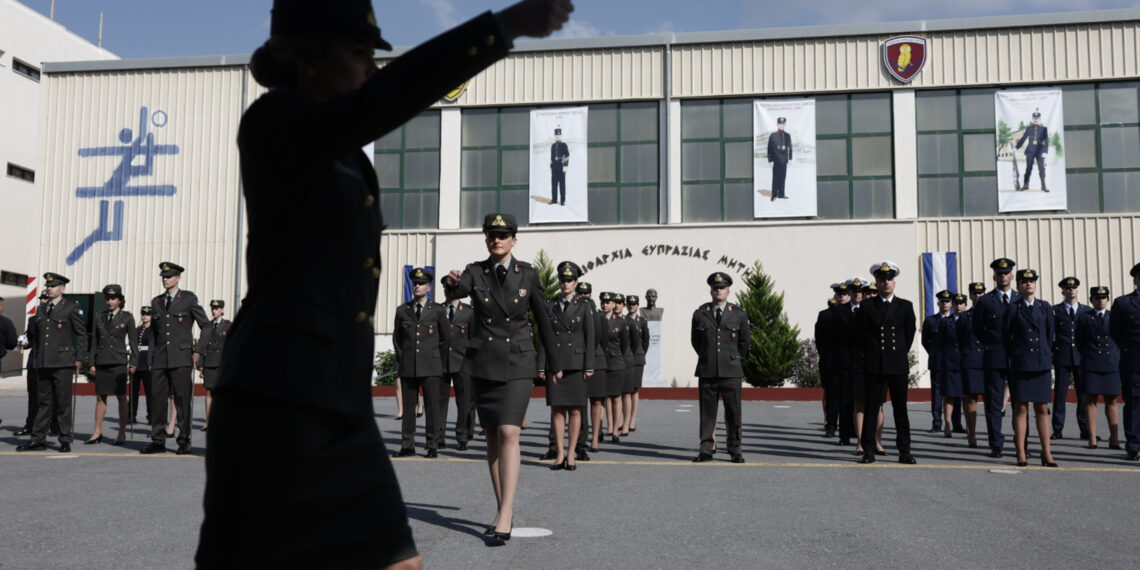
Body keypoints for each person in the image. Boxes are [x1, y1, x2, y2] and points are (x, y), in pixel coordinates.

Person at [197, 2, 575, 564]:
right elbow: (382, 100)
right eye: (358, 54)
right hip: (275, 396)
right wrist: (504, 28)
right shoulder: (274, 123)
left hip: (336, 399)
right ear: (306, 61)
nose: (372, 68)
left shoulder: (347, 154)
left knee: (399, 559)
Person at [443, 212, 562, 546]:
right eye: (491, 235)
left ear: (514, 238)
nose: (497, 239)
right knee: (493, 436)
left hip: (519, 361)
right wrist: (451, 282)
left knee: (510, 431)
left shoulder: (529, 274)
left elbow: (542, 319)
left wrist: (554, 361)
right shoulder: (474, 272)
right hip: (483, 363)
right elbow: (458, 289)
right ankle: (501, 508)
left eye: (503, 234)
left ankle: (506, 514)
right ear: (485, 239)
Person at [144, 262, 210, 455]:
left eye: (170, 276)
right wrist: (150, 359)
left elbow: (205, 326)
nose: (165, 279)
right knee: (157, 400)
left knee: (182, 400)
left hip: (181, 357)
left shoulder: (188, 299)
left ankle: (184, 440)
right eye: (163, 276)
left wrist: (198, 351)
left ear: (178, 278)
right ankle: (158, 440)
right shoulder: (156, 302)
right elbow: (154, 335)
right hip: (159, 359)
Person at [16, 273, 87, 453]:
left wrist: (80, 358)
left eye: (53, 286)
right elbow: (38, 338)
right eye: (48, 286)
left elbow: (81, 334)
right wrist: (27, 343)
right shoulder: (41, 309)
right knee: (43, 402)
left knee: (63, 402)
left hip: (62, 362)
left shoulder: (71, 307)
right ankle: (38, 439)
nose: (49, 288)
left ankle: (64, 439)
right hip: (43, 362)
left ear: (62, 288)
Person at [855, 261, 917, 465]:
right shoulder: (867, 306)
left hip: (897, 363)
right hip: (875, 363)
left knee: (901, 409)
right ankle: (869, 450)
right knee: (872, 408)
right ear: (877, 283)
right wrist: (870, 355)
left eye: (889, 279)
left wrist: (897, 354)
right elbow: (858, 337)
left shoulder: (905, 306)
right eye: (882, 280)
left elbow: (908, 336)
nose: (886, 283)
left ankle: (905, 451)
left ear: (894, 282)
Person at [538, 261, 593, 470]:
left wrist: (589, 366)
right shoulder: (550, 305)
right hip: (557, 363)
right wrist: (542, 366)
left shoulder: (584, 305)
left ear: (575, 282)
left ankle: (572, 454)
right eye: (562, 280)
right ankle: (559, 453)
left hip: (577, 364)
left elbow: (590, 336)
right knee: (557, 410)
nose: (565, 283)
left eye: (569, 280)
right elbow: (545, 337)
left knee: (576, 411)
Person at [691, 271, 751, 464]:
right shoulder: (700, 313)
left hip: (731, 371)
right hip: (708, 370)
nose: (719, 291)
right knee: (707, 413)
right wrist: (708, 357)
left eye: (722, 288)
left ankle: (735, 449)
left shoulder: (739, 314)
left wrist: (732, 358)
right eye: (715, 288)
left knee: (734, 412)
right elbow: (696, 341)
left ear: (728, 291)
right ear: (711, 290)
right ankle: (706, 449)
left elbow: (745, 343)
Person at [392, 267, 450, 458]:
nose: (416, 286)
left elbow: (445, 340)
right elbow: (397, 339)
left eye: (421, 283)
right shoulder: (403, 311)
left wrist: (436, 360)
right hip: (409, 366)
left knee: (432, 407)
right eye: (415, 283)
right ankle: (407, 445)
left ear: (429, 287)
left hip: (431, 366)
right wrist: (404, 358)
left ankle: (432, 444)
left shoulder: (438, 311)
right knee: (409, 409)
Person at [1003, 269, 1058, 467]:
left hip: (1040, 363)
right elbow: (1006, 336)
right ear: (1018, 285)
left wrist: (1044, 354)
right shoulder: (1012, 308)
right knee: (1020, 408)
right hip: (1021, 363)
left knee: (1042, 408)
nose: (1029, 284)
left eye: (1032, 281)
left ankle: (1047, 452)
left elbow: (1050, 335)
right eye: (1024, 281)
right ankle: (1021, 452)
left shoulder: (1045, 307)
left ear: (1036, 284)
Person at [973, 257, 1019, 459]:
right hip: (994, 356)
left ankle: (1021, 441)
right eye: (999, 273)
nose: (1003, 276)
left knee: (1020, 402)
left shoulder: (1021, 299)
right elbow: (977, 329)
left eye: (1006, 273)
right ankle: (996, 443)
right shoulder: (985, 301)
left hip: (1019, 357)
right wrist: (992, 345)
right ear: (994, 276)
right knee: (993, 401)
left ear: (1012, 275)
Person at [87, 285, 139, 445]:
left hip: (118, 361)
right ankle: (97, 432)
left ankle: (121, 432)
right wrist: (92, 363)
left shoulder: (127, 317)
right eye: (108, 299)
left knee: (121, 397)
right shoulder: (99, 316)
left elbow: (133, 342)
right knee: (100, 397)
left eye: (113, 298)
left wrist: (134, 363)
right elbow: (94, 341)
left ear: (120, 300)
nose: (110, 301)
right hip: (102, 360)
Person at [1078, 286, 1119, 450]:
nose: (1100, 300)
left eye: (1103, 297)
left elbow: (1120, 337)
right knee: (1090, 400)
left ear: (1107, 300)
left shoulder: (1114, 317)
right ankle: (1092, 438)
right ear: (1091, 300)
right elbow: (1080, 341)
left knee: (1112, 400)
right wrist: (1089, 355)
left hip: (1111, 363)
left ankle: (1114, 439)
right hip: (1091, 362)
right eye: (1097, 297)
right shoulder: (1084, 317)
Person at [1051, 276, 1091, 440]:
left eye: (1073, 288)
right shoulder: (1055, 311)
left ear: (1077, 290)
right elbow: (1050, 333)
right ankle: (1057, 429)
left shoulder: (1086, 311)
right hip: (1062, 355)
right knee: (1060, 394)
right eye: (1068, 288)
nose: (1071, 290)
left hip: (1081, 356)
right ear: (1063, 291)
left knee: (1083, 394)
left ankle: (1085, 428)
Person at [16, 292, 58, 438]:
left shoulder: (56, 318)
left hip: (49, 362)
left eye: (46, 298)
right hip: (34, 362)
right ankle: (30, 425)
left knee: (50, 396)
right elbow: (31, 341)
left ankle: (54, 426)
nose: (43, 300)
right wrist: (23, 342)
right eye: (41, 298)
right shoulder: (33, 319)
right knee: (33, 396)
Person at [1110, 263, 1140, 461]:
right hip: (1133, 361)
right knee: (1135, 403)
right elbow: (1115, 332)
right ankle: (1134, 445)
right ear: (1136, 279)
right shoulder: (1123, 303)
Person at [441, 279, 475, 451]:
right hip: (441, 362)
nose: (450, 291)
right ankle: (438, 436)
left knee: (465, 402)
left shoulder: (469, 312)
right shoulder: (438, 310)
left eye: (453, 288)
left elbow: (475, 338)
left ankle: (463, 436)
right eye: (448, 288)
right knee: (440, 402)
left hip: (464, 362)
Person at [194, 300, 231, 431]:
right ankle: (208, 422)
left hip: (222, 363)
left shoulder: (228, 325)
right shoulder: (207, 326)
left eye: (217, 308)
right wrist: (200, 363)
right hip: (209, 362)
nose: (214, 311)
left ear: (222, 310)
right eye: (213, 308)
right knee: (209, 392)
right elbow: (202, 344)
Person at [957, 286, 986, 448]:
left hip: (988, 361)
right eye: (975, 293)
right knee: (971, 399)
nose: (978, 296)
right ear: (971, 296)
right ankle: (972, 434)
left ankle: (993, 435)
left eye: (981, 293)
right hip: (971, 361)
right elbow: (960, 340)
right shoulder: (965, 317)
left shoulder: (991, 314)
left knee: (991, 402)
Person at [586, 287, 611, 452]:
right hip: (577, 361)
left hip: (596, 361)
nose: (583, 296)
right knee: (578, 405)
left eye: (585, 293)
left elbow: (604, 341)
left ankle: (595, 438)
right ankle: (580, 440)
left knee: (596, 401)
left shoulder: (599, 315)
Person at [605, 293, 630, 443]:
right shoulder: (599, 319)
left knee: (616, 396)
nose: (605, 305)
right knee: (603, 397)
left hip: (616, 363)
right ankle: (608, 426)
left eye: (608, 302)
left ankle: (616, 429)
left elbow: (626, 344)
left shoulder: (621, 322)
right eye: (603, 302)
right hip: (602, 363)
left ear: (614, 304)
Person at [624, 294, 649, 434]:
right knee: (624, 390)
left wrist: (640, 353)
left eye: (634, 304)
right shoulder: (623, 320)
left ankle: (632, 420)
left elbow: (646, 341)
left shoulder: (642, 321)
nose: (631, 306)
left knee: (634, 389)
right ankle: (624, 420)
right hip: (625, 358)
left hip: (638, 358)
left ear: (638, 305)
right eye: (629, 304)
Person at [1015, 109, 1049, 192]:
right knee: (1028, 168)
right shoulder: (1029, 128)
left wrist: (1045, 151)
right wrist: (1016, 147)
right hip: (1030, 150)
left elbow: (1047, 140)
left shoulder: (1044, 129)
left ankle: (1043, 186)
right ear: (1032, 119)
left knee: (1041, 168)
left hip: (1040, 150)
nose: (1036, 119)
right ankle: (1026, 185)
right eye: (1034, 118)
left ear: (1040, 119)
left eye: (1037, 118)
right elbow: (1023, 138)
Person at [131, 306, 154, 424]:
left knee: (149, 392)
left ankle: (151, 416)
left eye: (147, 314)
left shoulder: (153, 330)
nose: (144, 316)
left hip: (147, 362)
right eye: (143, 313)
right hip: (137, 362)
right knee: (133, 391)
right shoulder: (137, 329)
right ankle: (131, 415)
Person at [767, 116, 792, 201]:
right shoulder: (773, 135)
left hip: (784, 160)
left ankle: (781, 194)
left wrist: (790, 158)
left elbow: (790, 148)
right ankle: (774, 195)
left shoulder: (788, 136)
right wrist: (770, 160)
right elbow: (769, 148)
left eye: (783, 124)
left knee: (783, 177)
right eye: (780, 123)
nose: (781, 125)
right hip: (776, 160)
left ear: (785, 124)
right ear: (778, 124)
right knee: (775, 178)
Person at [550, 127, 569, 205]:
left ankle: (562, 201)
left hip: (561, 168)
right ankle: (554, 200)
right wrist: (551, 165)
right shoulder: (553, 146)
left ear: (561, 135)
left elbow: (567, 155)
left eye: (559, 135)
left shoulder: (564, 145)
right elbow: (551, 157)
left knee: (562, 185)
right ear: (554, 136)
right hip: (554, 169)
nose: (557, 136)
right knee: (554, 185)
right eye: (556, 135)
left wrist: (565, 166)